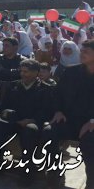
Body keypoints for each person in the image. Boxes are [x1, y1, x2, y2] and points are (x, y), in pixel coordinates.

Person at [0, 59, 54, 187]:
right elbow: (4, 106)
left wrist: (31, 120)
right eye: (21, 71)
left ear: (36, 72)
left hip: (31, 122)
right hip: (14, 120)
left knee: (30, 130)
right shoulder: (14, 85)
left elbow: (46, 111)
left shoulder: (45, 89)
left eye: (26, 72)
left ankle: (27, 172)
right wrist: (4, 114)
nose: (23, 74)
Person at [43, 39, 94, 189]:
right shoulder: (71, 71)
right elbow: (57, 94)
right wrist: (58, 110)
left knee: (90, 143)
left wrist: (92, 121)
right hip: (70, 119)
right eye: (82, 51)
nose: (82, 54)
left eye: (87, 52)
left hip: (91, 124)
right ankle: (55, 174)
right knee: (49, 132)